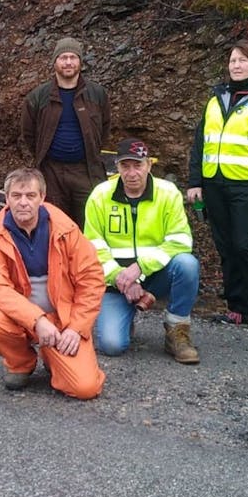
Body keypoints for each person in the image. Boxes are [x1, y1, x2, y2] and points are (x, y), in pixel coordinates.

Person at [0, 168, 106, 398]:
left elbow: (91, 280)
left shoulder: (67, 230)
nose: (23, 202)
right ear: (6, 199)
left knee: (85, 388)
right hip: (23, 320)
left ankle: (51, 353)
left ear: (42, 198)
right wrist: (37, 321)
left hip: (63, 321)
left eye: (30, 196)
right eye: (16, 196)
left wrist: (76, 328)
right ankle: (21, 363)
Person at [84, 138, 201, 364]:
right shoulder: (100, 195)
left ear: (149, 165)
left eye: (138, 165)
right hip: (116, 282)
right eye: (125, 166)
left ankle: (177, 331)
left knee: (187, 264)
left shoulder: (168, 193)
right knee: (111, 345)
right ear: (116, 167)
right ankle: (126, 319)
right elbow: (93, 247)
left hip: (157, 275)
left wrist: (140, 268)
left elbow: (180, 240)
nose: (132, 173)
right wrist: (120, 277)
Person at [186, 40, 248, 325]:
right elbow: (201, 143)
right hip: (214, 184)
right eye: (233, 60)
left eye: (243, 60)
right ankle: (237, 307)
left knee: (247, 247)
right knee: (226, 247)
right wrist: (194, 181)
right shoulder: (216, 98)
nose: (236, 65)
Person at [21, 37, 110, 229]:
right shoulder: (38, 97)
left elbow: (104, 128)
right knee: (54, 226)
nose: (68, 62)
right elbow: (28, 134)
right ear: (55, 62)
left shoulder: (97, 94)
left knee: (90, 225)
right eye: (63, 57)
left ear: (80, 62)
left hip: (85, 171)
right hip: (51, 172)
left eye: (73, 57)